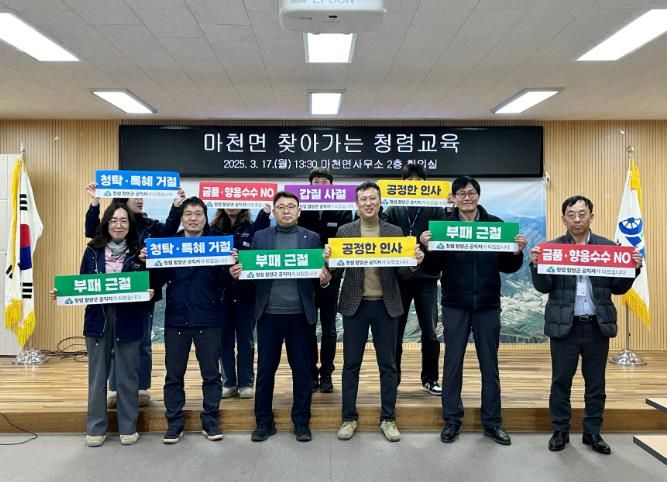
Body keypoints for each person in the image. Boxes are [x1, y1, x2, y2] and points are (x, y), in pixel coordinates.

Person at [530, 195, 642, 454]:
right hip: (564, 326)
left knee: (596, 383)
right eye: (571, 214)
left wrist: (633, 269)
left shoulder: (608, 248)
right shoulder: (552, 248)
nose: (577, 219)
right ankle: (560, 431)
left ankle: (592, 432)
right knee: (561, 381)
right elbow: (543, 287)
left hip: (596, 325)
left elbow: (618, 288)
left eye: (582, 214)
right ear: (563, 219)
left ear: (591, 216)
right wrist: (536, 265)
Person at [420, 176, 527, 446]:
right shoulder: (444, 227)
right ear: (453, 198)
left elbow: (508, 267)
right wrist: (427, 248)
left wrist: (516, 252)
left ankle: (492, 423)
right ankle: (452, 420)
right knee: (452, 364)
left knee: (489, 366)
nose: (466, 198)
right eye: (461, 194)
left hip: (487, 305)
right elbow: (432, 269)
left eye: (471, 193)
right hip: (455, 304)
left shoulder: (496, 226)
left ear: (478, 196)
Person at [325, 181, 425, 443]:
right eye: (363, 199)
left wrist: (414, 263)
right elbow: (336, 270)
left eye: (373, 199)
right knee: (351, 365)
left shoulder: (394, 231)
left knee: (388, 365)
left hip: (386, 305)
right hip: (355, 305)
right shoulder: (345, 231)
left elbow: (402, 273)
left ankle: (388, 418)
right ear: (356, 204)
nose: (368, 203)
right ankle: (348, 418)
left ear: (380, 202)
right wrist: (329, 263)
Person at [231, 191, 331, 443]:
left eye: (291, 206)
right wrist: (239, 272)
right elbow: (251, 274)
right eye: (281, 207)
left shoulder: (312, 238)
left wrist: (325, 278)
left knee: (303, 372)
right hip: (269, 315)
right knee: (265, 371)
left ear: (299, 211)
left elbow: (321, 275)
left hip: (301, 315)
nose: (286, 210)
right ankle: (263, 422)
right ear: (274, 211)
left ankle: (301, 422)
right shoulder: (261, 237)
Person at [51, 202, 153, 447]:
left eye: (124, 221)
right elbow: (82, 283)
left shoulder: (140, 253)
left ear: (130, 225)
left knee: (128, 377)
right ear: (106, 224)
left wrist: (150, 291)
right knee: (97, 378)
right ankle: (96, 428)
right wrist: (62, 293)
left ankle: (128, 427)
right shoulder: (92, 251)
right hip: (98, 320)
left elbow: (153, 283)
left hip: (129, 318)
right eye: (114, 220)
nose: (118, 225)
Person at [84, 183, 184, 408]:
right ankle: (114, 388)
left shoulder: (149, 225)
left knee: (143, 342)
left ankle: (141, 388)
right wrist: (95, 202)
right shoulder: (112, 224)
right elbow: (92, 231)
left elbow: (168, 232)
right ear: (122, 199)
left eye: (141, 196)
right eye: (134, 196)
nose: (140, 200)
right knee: (113, 341)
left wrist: (176, 206)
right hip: (112, 294)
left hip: (144, 291)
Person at [151, 197, 230, 444]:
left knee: (211, 374)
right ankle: (174, 422)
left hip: (209, 318)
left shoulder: (217, 244)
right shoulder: (169, 245)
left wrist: (231, 266)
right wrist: (147, 261)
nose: (193, 218)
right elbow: (158, 280)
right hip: (177, 318)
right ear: (181, 218)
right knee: (174, 375)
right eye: (188, 214)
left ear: (206, 218)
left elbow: (225, 284)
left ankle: (211, 419)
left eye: (198, 214)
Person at [382, 163, 444, 396]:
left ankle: (430, 379)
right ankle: (393, 379)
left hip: (427, 278)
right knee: (395, 331)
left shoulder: (436, 209)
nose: (415, 186)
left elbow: (444, 243)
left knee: (429, 332)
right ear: (402, 185)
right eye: (409, 182)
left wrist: (428, 246)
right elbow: (381, 232)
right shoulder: (393, 208)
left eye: (419, 182)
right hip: (400, 278)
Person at [299, 168, 353, 393]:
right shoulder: (300, 210)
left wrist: (331, 272)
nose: (320, 185)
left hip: (332, 277)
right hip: (305, 277)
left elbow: (345, 245)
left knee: (329, 328)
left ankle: (327, 373)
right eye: (316, 182)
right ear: (309, 187)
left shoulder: (343, 210)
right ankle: (311, 373)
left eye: (324, 182)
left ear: (332, 187)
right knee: (308, 326)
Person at [210, 206, 270, 399]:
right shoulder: (213, 230)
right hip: (221, 294)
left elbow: (260, 249)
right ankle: (228, 382)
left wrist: (265, 213)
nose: (231, 204)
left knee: (246, 340)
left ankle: (246, 382)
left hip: (246, 293)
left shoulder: (252, 228)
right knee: (224, 340)